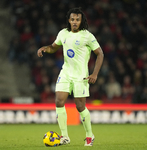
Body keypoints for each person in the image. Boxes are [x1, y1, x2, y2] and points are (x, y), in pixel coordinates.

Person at [37, 7, 104, 146]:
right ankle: (65, 136)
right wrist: (45, 48)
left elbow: (100, 54)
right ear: (69, 20)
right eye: (72, 19)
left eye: (77, 20)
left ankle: (89, 135)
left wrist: (95, 74)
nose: (74, 22)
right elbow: (54, 47)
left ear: (81, 21)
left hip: (81, 76)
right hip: (66, 72)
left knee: (80, 106)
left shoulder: (87, 36)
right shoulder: (63, 33)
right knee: (59, 101)